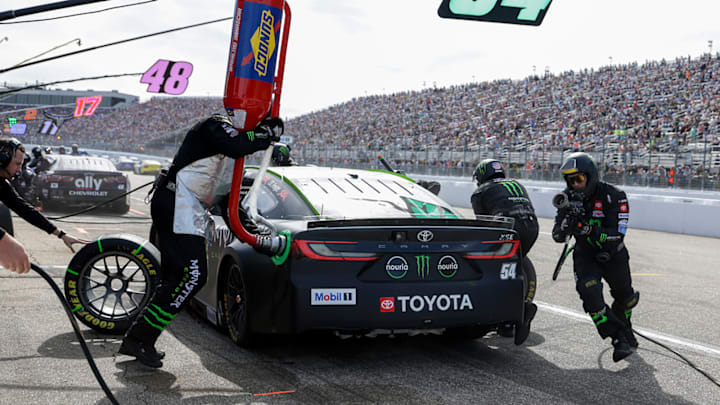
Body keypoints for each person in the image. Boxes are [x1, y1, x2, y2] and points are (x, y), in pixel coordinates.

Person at [118, 114, 285, 368]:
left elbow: (231, 207)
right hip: (175, 203)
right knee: (192, 276)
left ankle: (139, 339)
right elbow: (238, 142)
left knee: (180, 279)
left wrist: (258, 239)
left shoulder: (232, 158)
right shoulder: (215, 124)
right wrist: (264, 135)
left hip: (183, 206)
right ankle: (140, 338)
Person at [551, 152, 638, 362]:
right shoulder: (567, 199)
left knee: (625, 299)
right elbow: (557, 235)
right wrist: (565, 226)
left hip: (613, 255)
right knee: (589, 293)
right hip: (585, 256)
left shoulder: (615, 195)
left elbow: (617, 236)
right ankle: (617, 338)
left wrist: (588, 229)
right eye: (571, 180)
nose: (575, 185)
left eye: (579, 179)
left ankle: (625, 328)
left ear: (590, 176)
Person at [470, 158, 538, 344]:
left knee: (493, 272)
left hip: (508, 229)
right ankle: (508, 322)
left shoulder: (480, 192)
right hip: (532, 227)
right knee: (511, 269)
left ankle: (519, 311)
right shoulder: (517, 184)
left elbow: (483, 223)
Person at [0, 137, 89, 274]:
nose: (19, 170)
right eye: (17, 164)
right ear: (2, 160)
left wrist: (61, 234)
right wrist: (3, 240)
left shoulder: (2, 184)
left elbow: (24, 209)